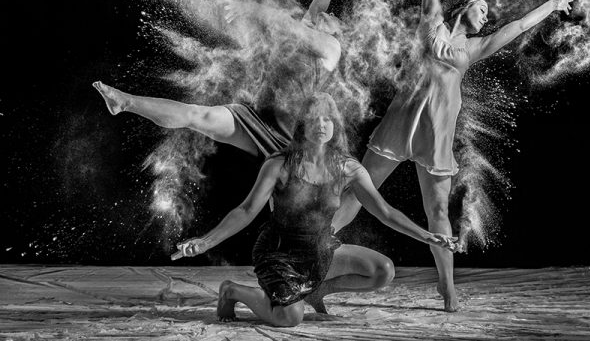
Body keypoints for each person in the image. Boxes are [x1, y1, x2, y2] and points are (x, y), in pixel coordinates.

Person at [332, 0, 575, 311]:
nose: (487, 16)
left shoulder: (474, 48)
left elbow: (515, 28)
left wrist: (551, 6)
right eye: (483, 9)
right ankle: (312, 244)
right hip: (401, 122)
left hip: (437, 133)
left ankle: (447, 288)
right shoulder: (432, 22)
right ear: (466, 4)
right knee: (359, 192)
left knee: (438, 211)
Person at [172, 92, 457, 326]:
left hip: (320, 251)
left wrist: (427, 236)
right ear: (302, 125)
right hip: (279, 254)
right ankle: (233, 290)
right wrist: (205, 241)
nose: (321, 124)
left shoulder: (348, 168)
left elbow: (384, 211)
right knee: (289, 318)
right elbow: (246, 211)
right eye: (314, 118)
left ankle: (313, 290)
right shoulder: (279, 165)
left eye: (327, 118)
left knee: (383, 271)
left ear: (335, 125)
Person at [93, 0, 350, 158]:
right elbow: (315, 12)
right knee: (196, 115)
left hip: (285, 134)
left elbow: (286, 23)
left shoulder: (331, 48)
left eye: (334, 17)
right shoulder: (311, 36)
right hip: (257, 116)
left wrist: (247, 7)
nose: (329, 13)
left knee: (288, 195)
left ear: (339, 33)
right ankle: (125, 102)